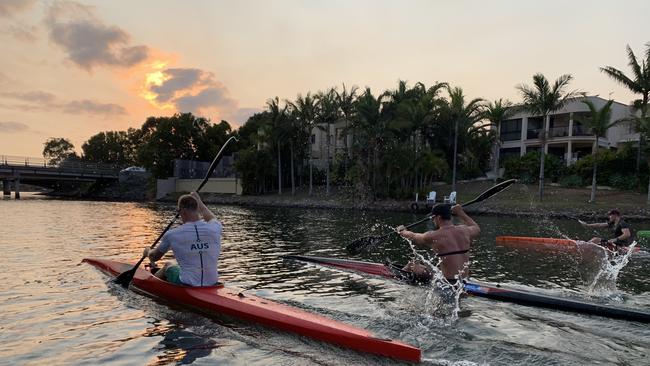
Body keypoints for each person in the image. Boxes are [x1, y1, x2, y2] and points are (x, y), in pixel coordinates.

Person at [143, 192, 222, 286]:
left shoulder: (172, 234)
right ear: (197, 208)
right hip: (212, 282)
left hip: (187, 283)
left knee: (168, 264)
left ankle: (151, 285)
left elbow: (154, 257)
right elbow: (210, 217)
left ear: (183, 211)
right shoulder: (215, 227)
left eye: (179, 211)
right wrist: (200, 202)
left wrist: (147, 252)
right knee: (178, 264)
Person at [397, 203, 480, 284]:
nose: (433, 220)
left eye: (433, 217)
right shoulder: (465, 230)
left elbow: (413, 236)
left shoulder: (433, 236)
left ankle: (397, 278)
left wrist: (402, 231)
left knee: (412, 265)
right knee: (423, 267)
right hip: (464, 280)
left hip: (448, 283)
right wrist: (460, 213)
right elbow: (476, 228)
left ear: (439, 217)